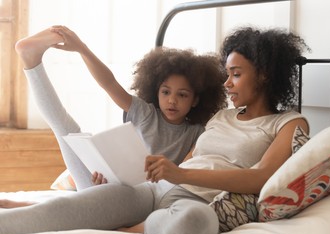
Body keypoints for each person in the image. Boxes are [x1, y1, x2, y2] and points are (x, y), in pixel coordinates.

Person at [0, 27, 309, 234]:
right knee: (74, 207)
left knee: (197, 221)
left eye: (236, 74)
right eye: (227, 74)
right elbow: (189, 161)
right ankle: (110, 219)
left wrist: (180, 175)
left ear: (265, 75)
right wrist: (166, 173)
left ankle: (126, 228)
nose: (227, 83)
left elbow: (260, 177)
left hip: (194, 201)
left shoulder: (290, 124)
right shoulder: (220, 117)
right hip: (152, 190)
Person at [15, 26, 227, 189]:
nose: (172, 100)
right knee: (69, 130)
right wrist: (82, 49)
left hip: (144, 199)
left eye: (182, 95)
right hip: (105, 185)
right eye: (165, 92)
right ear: (156, 91)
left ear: (196, 100)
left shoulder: (197, 133)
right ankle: (32, 62)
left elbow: (183, 176)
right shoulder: (146, 113)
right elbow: (109, 84)